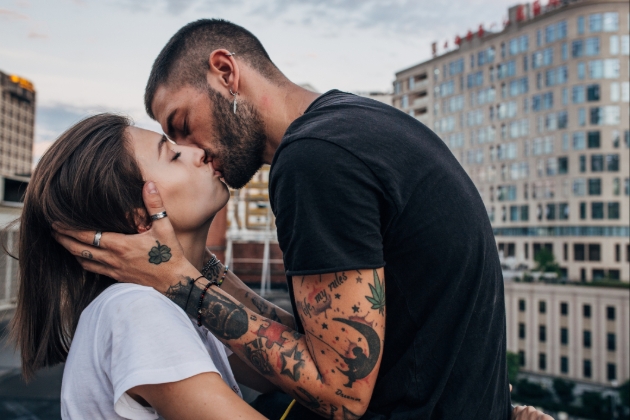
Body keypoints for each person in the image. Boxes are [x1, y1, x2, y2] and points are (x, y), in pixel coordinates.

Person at [54, 20, 553, 420]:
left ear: (225, 71)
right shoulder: (352, 123)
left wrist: (183, 283)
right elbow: (324, 345)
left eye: (183, 126)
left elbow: (341, 394)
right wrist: (197, 270)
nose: (192, 151)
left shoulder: (314, 160)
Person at [11, 114, 279, 419]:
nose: (199, 151)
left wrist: (192, 269)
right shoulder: (138, 309)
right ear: (138, 217)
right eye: (174, 155)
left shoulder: (176, 302)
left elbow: (291, 377)